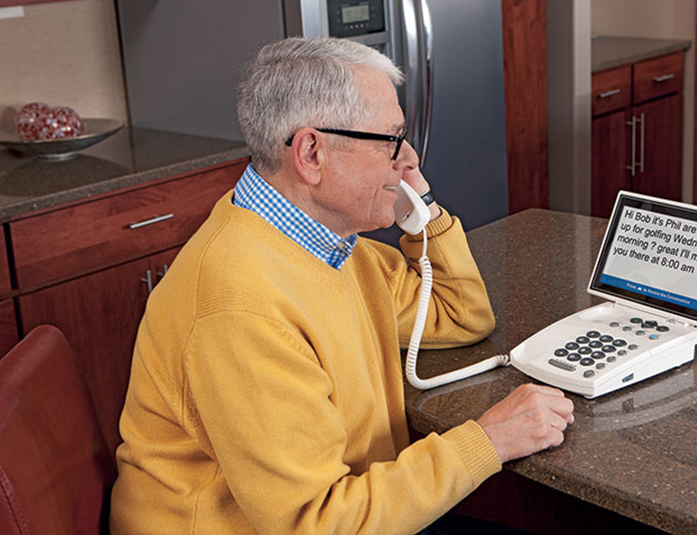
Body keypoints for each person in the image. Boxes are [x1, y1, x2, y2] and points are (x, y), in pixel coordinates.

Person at [110, 37, 574, 534]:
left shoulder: (330, 246)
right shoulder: (241, 306)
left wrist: (425, 214)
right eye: (391, 140)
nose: (410, 159)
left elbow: (459, 314)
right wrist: (488, 440)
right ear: (312, 152)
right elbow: (316, 525)